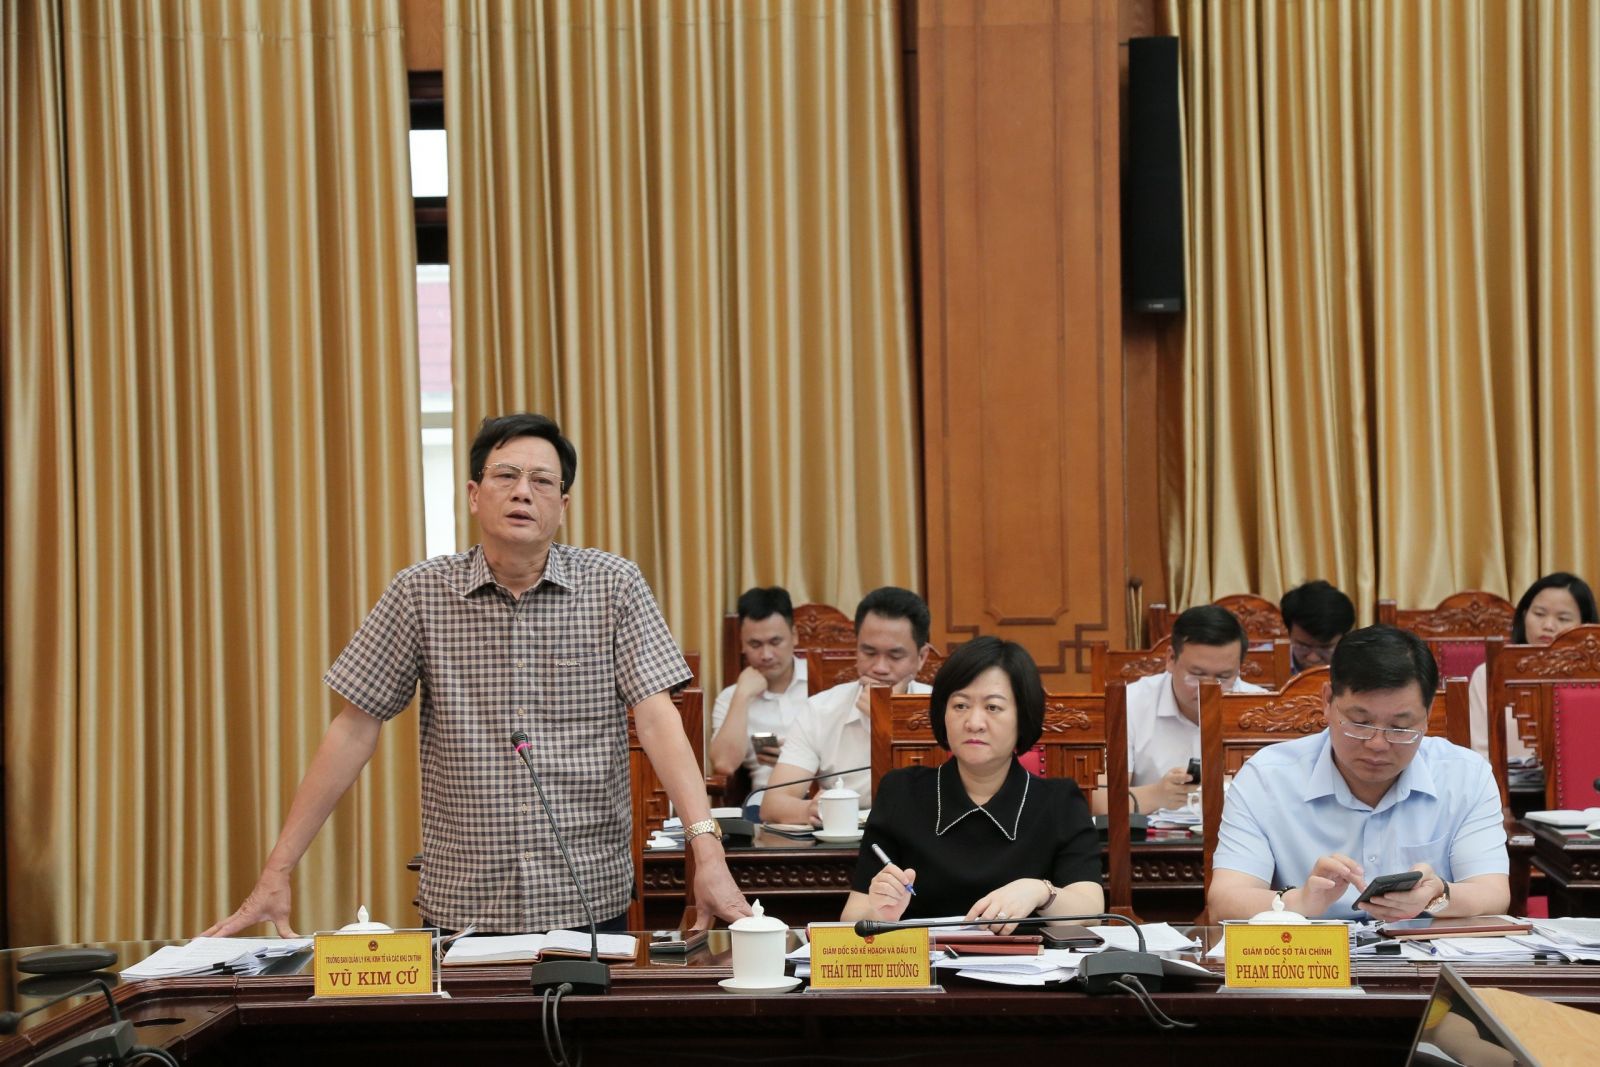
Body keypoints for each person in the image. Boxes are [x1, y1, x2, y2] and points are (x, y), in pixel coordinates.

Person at [204, 413, 750, 937]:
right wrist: (277, 870)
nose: (522, 492)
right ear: (473, 494)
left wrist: (707, 853)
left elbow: (657, 720)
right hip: (465, 902)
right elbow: (353, 729)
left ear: (562, 506)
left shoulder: (614, 585)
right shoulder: (419, 593)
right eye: (505, 476)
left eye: (542, 481)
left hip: (587, 896)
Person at [1208, 625, 1509, 922]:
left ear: (1428, 715)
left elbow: (1493, 894)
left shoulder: (1466, 776)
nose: (1377, 744)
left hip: (1424, 952)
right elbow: (1224, 900)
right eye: (1359, 723)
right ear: (1327, 701)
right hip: (1311, 951)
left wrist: (1437, 897)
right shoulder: (1266, 778)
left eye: (1400, 728)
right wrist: (1300, 901)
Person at [841, 637, 1103, 929]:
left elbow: (1091, 910)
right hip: (925, 959)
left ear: (1023, 717)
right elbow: (853, 916)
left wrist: (1041, 892)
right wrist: (880, 913)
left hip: (1032, 957)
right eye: (960, 705)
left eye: (993, 707)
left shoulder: (1059, 802)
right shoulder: (901, 793)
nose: (974, 722)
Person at [760, 587, 933, 824]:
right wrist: (810, 810)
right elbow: (773, 804)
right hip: (843, 836)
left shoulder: (943, 709)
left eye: (895, 656)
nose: (880, 667)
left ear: (921, 658)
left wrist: (888, 722)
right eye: (869, 652)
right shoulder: (821, 710)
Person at [1094, 605, 1267, 816]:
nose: (1208, 689)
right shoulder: (1128, 704)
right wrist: (1157, 795)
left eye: (1224, 677)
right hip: (1151, 835)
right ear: (1170, 659)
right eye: (1197, 675)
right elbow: (1098, 800)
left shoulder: (1263, 710)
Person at [1467, 572, 1598, 761]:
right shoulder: (1489, 674)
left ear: (1585, 625)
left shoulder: (1594, 677)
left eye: (1563, 618)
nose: (1548, 625)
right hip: (1501, 779)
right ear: (1524, 615)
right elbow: (1478, 753)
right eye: (1539, 614)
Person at [708, 587, 809, 802]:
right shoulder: (731, 697)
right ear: (742, 643)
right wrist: (743, 696)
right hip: (764, 804)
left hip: (825, 797)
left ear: (794, 636)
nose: (766, 655)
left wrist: (798, 760)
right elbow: (724, 765)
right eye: (755, 644)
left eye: (775, 642)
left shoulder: (823, 684)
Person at [1280, 579, 1357, 673]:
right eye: (1303, 646)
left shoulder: (1362, 667)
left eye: (1325, 648)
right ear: (1289, 633)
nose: (1313, 659)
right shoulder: (1267, 663)